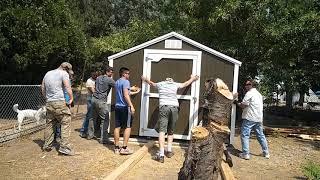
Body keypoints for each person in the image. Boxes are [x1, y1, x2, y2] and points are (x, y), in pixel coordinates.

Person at [141, 75, 199, 163]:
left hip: (164, 107)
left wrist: (145, 79)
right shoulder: (175, 84)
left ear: (165, 80)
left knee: (162, 131)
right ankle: (168, 151)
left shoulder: (161, 84)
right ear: (171, 81)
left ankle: (161, 155)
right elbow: (186, 84)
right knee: (171, 130)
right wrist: (193, 78)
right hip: (174, 108)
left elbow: (151, 83)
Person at [41, 62, 74, 156]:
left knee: (50, 124)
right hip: (60, 102)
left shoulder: (48, 73)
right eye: (69, 71)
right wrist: (71, 98)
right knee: (65, 123)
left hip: (49, 102)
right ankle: (64, 147)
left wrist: (47, 97)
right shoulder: (63, 74)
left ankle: (47, 145)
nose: (69, 73)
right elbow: (68, 87)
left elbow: (43, 87)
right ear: (65, 69)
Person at [235, 79, 270, 160]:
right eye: (246, 84)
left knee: (245, 135)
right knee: (260, 135)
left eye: (247, 84)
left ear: (251, 85)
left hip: (249, 118)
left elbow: (243, 105)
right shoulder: (259, 94)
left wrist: (236, 103)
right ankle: (266, 153)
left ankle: (245, 154)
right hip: (258, 118)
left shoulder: (249, 93)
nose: (245, 86)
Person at [114, 67, 140, 155]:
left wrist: (134, 91)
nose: (129, 75)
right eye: (127, 73)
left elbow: (125, 93)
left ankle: (117, 148)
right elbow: (125, 95)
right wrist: (131, 106)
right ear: (123, 74)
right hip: (125, 107)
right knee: (128, 127)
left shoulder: (117, 82)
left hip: (117, 106)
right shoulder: (126, 82)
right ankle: (124, 148)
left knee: (117, 127)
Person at [87, 66, 115, 144]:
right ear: (107, 72)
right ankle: (104, 139)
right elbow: (119, 86)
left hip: (94, 99)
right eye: (111, 72)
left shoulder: (98, 78)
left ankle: (90, 135)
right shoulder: (110, 80)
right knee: (105, 119)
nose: (112, 73)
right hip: (101, 101)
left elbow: (95, 87)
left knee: (92, 118)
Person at [79, 71, 98, 138]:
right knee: (89, 115)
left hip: (96, 99)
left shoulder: (97, 79)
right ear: (92, 75)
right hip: (90, 98)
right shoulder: (89, 81)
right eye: (94, 75)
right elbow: (93, 91)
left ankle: (92, 132)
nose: (95, 76)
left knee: (95, 116)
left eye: (96, 75)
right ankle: (83, 131)